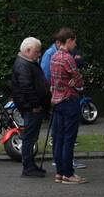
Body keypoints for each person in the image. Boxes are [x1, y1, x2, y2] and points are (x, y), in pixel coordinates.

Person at [49, 27, 86, 184]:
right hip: (69, 100)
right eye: (74, 41)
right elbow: (78, 79)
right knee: (69, 139)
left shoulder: (54, 56)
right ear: (69, 40)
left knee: (58, 138)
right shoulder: (68, 58)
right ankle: (68, 174)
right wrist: (76, 80)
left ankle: (59, 172)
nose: (75, 44)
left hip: (57, 100)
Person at [11, 37, 51, 178]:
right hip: (31, 108)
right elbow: (26, 88)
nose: (39, 54)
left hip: (33, 107)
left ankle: (30, 165)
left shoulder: (29, 62)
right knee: (29, 138)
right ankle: (28, 167)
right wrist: (36, 105)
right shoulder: (23, 64)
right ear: (27, 50)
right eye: (36, 51)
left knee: (31, 137)